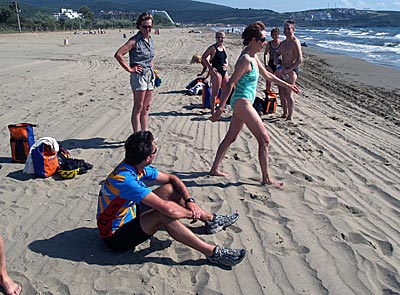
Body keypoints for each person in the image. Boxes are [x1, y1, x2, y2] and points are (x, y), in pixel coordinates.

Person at [96, 131, 246, 267]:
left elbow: (172, 178)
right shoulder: (125, 180)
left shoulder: (134, 165)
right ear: (148, 158)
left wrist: (190, 202)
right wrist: (192, 214)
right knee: (163, 214)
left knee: (170, 190)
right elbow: (168, 209)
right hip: (114, 236)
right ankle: (212, 253)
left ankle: (211, 220)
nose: (156, 150)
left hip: (130, 212)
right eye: (155, 150)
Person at [209, 21, 300, 188]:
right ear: (253, 40)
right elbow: (230, 84)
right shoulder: (245, 59)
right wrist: (220, 108)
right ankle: (266, 178)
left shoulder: (254, 57)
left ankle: (214, 169)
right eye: (262, 40)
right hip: (241, 102)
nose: (264, 43)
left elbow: (268, 76)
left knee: (231, 137)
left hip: (245, 101)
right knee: (264, 139)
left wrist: (288, 85)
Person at [114, 13, 156, 132]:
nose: (148, 29)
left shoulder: (150, 39)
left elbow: (150, 57)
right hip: (139, 76)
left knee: (146, 107)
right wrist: (130, 69)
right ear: (139, 26)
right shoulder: (134, 41)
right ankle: (137, 135)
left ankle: (144, 133)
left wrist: (154, 72)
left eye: (150, 27)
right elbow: (118, 54)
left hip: (149, 75)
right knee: (138, 107)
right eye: (145, 27)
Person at [274, 20, 303, 121]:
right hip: (282, 68)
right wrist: (276, 59)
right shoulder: (283, 43)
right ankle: (285, 113)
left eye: (288, 29)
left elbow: (300, 59)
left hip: (292, 69)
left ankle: (290, 116)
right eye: (285, 29)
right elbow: (277, 53)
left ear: (293, 30)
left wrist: (288, 70)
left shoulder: (295, 42)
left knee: (288, 93)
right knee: (281, 92)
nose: (286, 31)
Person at [201, 31, 229, 114]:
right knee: (215, 92)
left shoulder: (223, 48)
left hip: (224, 71)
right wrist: (210, 68)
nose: (220, 39)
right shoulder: (213, 48)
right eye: (218, 37)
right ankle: (213, 111)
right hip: (216, 71)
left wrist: (227, 64)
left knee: (225, 91)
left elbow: (225, 58)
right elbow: (203, 57)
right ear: (216, 38)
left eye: (222, 37)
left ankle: (221, 107)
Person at [263, 27, 281, 93]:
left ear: (279, 35)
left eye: (276, 34)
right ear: (271, 35)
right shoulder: (269, 44)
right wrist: (266, 64)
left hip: (279, 63)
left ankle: (280, 93)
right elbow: (265, 53)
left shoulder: (281, 44)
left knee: (279, 80)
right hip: (271, 62)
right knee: (268, 79)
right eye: (273, 35)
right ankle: (268, 93)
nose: (275, 36)